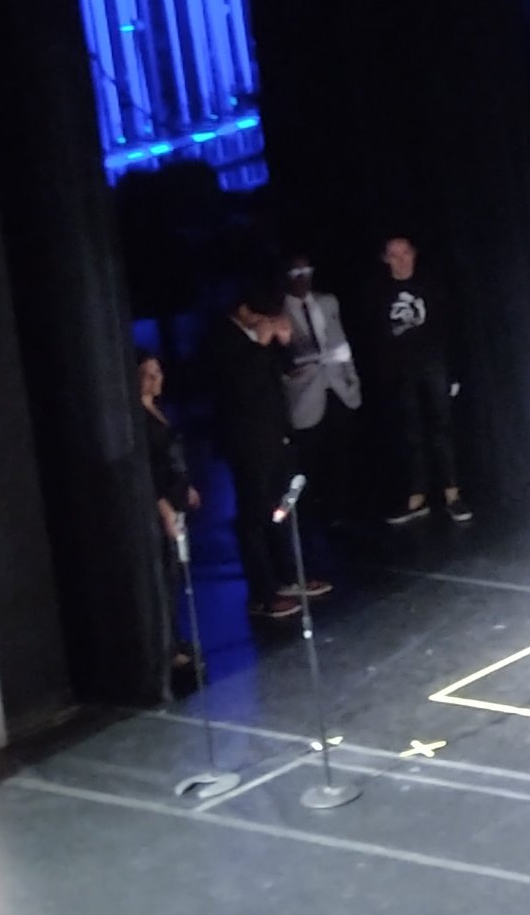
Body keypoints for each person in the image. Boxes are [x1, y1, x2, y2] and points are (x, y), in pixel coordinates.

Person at [201, 292, 318, 624]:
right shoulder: (223, 339)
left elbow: (285, 372)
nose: (266, 320)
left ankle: (289, 577)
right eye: (261, 315)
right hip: (247, 443)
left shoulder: (258, 339)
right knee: (253, 515)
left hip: (274, 436)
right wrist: (259, 345)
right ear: (243, 311)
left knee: (282, 509)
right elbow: (237, 388)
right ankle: (263, 593)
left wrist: (283, 342)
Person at [369, 235, 467, 525]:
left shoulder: (431, 286)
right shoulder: (379, 293)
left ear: (414, 254)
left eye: (405, 253)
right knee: (411, 433)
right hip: (402, 372)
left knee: (442, 429)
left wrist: (454, 371)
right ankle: (417, 496)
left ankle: (452, 494)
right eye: (394, 255)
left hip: (434, 366)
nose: (401, 260)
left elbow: (448, 328)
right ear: (386, 260)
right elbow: (378, 337)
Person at [280, 253, 371, 526]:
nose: (303, 278)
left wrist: (352, 379)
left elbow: (341, 341)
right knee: (312, 456)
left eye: (307, 271)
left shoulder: (327, 301)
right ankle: (317, 514)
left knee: (343, 451)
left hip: (338, 387)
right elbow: (283, 359)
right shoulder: (279, 311)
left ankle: (344, 510)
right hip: (304, 394)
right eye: (296, 274)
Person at [140, 352, 200, 687]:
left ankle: (176, 639)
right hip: (162, 507)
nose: (155, 379)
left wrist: (187, 487)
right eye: (148, 373)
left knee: (174, 574)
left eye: (157, 371)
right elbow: (148, 469)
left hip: (177, 499)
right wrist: (164, 509)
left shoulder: (159, 411)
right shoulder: (137, 419)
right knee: (164, 576)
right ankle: (167, 644)